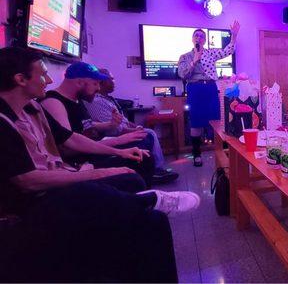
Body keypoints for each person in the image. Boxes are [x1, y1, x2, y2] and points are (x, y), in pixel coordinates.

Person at [0, 47, 199, 282]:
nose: (50, 80)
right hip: (35, 201)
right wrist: (95, 171)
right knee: (91, 190)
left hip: (62, 176)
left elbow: (71, 137)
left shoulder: (33, 109)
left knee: (151, 218)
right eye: (43, 74)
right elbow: (29, 180)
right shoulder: (7, 120)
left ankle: (143, 207)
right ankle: (148, 200)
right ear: (20, 79)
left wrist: (117, 150)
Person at [40, 62, 156, 184]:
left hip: (93, 150)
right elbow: (67, 148)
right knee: (143, 156)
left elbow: (85, 125)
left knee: (143, 147)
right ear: (79, 83)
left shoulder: (77, 100)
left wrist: (110, 125)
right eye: (95, 84)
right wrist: (118, 141)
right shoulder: (54, 102)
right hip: (82, 162)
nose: (98, 88)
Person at [84, 68, 178, 184]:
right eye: (111, 79)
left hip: (119, 132)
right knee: (149, 134)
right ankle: (156, 170)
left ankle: (157, 168)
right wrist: (134, 131)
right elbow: (115, 130)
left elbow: (124, 121)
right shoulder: (96, 101)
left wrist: (136, 127)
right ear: (102, 82)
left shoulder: (108, 99)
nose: (114, 82)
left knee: (147, 132)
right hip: (113, 136)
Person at [178, 20, 239, 166]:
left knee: (217, 119)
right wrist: (194, 61)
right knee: (196, 122)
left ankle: (223, 151)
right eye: (196, 36)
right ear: (193, 39)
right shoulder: (185, 56)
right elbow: (182, 74)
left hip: (211, 88)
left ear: (205, 40)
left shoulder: (211, 53)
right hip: (195, 89)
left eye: (201, 36)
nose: (198, 38)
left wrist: (234, 36)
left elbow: (228, 51)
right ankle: (197, 154)